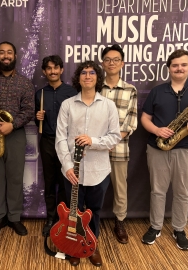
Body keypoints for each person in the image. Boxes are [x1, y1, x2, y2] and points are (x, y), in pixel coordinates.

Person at [141, 49, 188, 250]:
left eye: (183, 64)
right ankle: (155, 226)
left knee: (183, 192)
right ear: (169, 68)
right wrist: (157, 130)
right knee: (157, 191)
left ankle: (179, 228)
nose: (179, 68)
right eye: (175, 65)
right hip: (158, 148)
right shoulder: (157, 91)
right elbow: (145, 119)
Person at [55, 60, 121, 267]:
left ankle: (92, 246)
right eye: (84, 73)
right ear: (78, 78)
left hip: (98, 171)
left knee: (94, 211)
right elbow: (60, 139)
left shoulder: (108, 105)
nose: (88, 76)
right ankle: (73, 246)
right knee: (73, 212)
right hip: (72, 172)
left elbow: (114, 137)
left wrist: (93, 141)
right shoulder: (67, 105)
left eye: (92, 73)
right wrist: (66, 166)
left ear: (97, 77)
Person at [0, 41, 35, 237]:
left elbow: (29, 110)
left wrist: (12, 125)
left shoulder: (24, 83)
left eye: (9, 52)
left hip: (16, 134)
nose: (6, 56)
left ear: (15, 56)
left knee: (15, 178)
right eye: (2, 52)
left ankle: (14, 218)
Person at [35, 55, 77, 236]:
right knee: (50, 182)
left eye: (56, 67)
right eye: (49, 68)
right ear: (44, 72)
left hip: (67, 143)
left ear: (61, 70)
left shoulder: (72, 92)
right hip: (47, 141)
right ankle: (51, 218)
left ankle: (64, 218)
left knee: (65, 182)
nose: (52, 71)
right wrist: (38, 119)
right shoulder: (40, 94)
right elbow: (38, 125)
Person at [100, 44, 138, 244]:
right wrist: (101, 143)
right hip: (95, 150)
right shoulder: (95, 88)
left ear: (122, 63)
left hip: (119, 149)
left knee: (120, 188)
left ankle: (120, 221)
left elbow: (131, 121)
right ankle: (90, 221)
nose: (111, 63)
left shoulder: (130, 90)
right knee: (91, 186)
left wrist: (112, 140)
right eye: (107, 59)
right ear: (102, 63)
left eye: (116, 60)